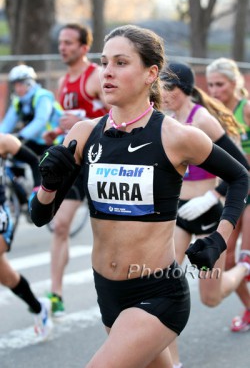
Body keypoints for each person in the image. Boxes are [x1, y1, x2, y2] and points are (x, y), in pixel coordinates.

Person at [30, 25, 248, 368]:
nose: (107, 72)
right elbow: (40, 216)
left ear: (151, 74)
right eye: (104, 63)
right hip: (108, 292)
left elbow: (240, 176)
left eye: (120, 62)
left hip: (157, 293)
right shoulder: (85, 133)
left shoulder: (177, 136)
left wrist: (219, 240)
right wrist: (49, 185)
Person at [160, 61, 250, 368]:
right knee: (166, 287)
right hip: (180, 214)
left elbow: (242, 170)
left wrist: (214, 196)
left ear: (183, 89)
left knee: (210, 299)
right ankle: (174, 363)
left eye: (167, 88)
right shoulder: (167, 119)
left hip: (210, 213)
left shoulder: (204, 121)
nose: (162, 94)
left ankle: (243, 268)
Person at [42, 23, 109, 318]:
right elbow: (70, 121)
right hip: (74, 162)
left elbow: (118, 114)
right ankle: (56, 293)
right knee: (60, 226)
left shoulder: (94, 76)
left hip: (101, 161)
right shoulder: (62, 82)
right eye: (60, 42)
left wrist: (81, 122)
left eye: (69, 42)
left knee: (108, 232)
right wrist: (57, 131)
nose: (63, 47)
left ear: (83, 48)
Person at [206, 57, 250, 332]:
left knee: (246, 256)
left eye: (220, 84)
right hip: (233, 190)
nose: (214, 90)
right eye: (210, 85)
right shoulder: (213, 114)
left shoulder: (246, 109)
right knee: (229, 259)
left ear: (234, 84)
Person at [0, 133, 52, 340]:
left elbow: (34, 161)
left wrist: (38, 189)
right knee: (6, 276)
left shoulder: (4, 141)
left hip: (1, 214)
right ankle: (39, 308)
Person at [0, 64, 63, 156]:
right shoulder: (18, 101)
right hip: (33, 141)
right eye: (15, 85)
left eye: (21, 84)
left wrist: (21, 136)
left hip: (53, 141)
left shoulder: (43, 96)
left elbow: (40, 120)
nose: (18, 89)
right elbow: (7, 123)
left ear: (29, 83)